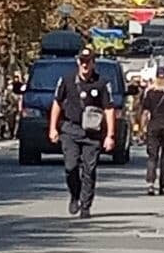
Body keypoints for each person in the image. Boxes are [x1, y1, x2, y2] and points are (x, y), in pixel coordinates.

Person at [48, 47, 116, 220]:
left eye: (89, 61)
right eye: (83, 61)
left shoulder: (101, 83)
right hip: (70, 129)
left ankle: (86, 205)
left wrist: (110, 135)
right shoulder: (67, 80)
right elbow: (57, 103)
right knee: (70, 167)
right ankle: (75, 195)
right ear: (78, 62)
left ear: (93, 63)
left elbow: (108, 109)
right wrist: (53, 128)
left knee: (89, 169)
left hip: (92, 133)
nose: (85, 65)